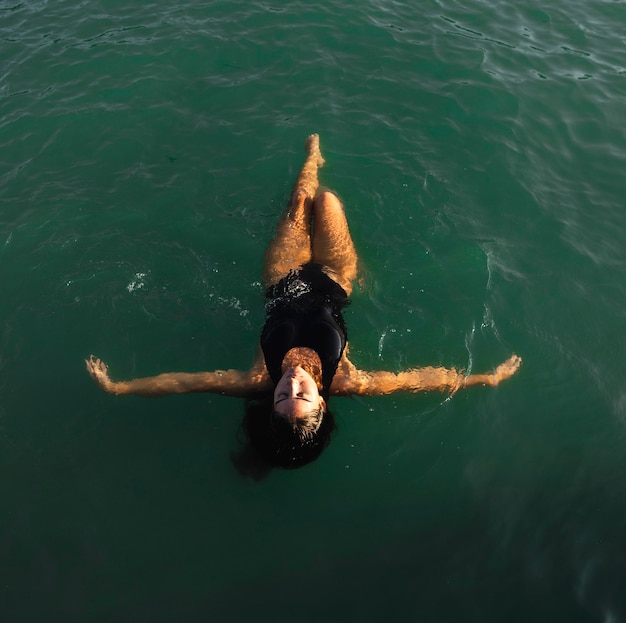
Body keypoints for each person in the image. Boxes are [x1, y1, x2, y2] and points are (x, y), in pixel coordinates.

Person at [86, 134, 521, 469]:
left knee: (300, 201)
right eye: (303, 394)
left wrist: (119, 387)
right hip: (334, 280)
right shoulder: (348, 381)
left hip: (281, 280)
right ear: (322, 401)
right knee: (327, 202)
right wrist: (486, 378)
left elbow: (183, 382)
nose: (291, 382)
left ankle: (311, 158)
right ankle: (317, 163)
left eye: (281, 397)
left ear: (270, 402)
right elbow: (419, 380)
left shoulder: (254, 379)